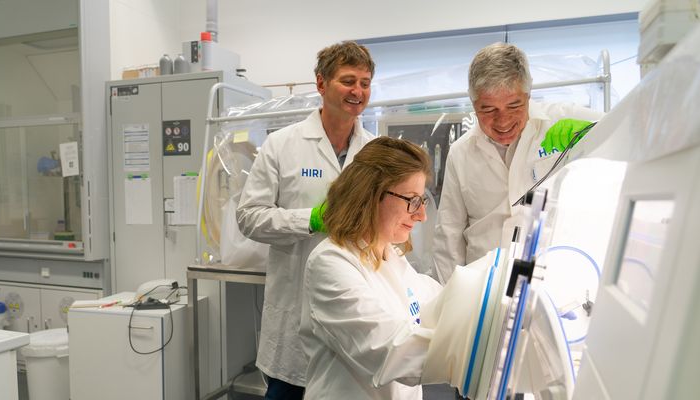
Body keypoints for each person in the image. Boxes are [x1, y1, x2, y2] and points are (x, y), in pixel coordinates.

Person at [236, 41, 376, 399]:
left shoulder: (375, 151)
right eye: (348, 81)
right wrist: (311, 220)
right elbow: (249, 217)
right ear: (321, 84)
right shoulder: (282, 145)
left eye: (364, 82)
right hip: (295, 317)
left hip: (354, 310)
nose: (357, 91)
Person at [432, 42, 603, 283]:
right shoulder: (461, 154)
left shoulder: (564, 123)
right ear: (473, 105)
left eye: (514, 105)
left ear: (528, 95)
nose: (502, 121)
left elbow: (625, 128)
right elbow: (448, 237)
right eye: (488, 109)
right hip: (483, 287)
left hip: (551, 279)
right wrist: (448, 302)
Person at [300, 137, 443, 399]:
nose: (421, 215)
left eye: (421, 201)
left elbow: (439, 302)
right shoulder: (331, 263)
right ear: (371, 195)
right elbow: (388, 351)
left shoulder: (390, 256)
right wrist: (468, 354)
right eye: (412, 201)